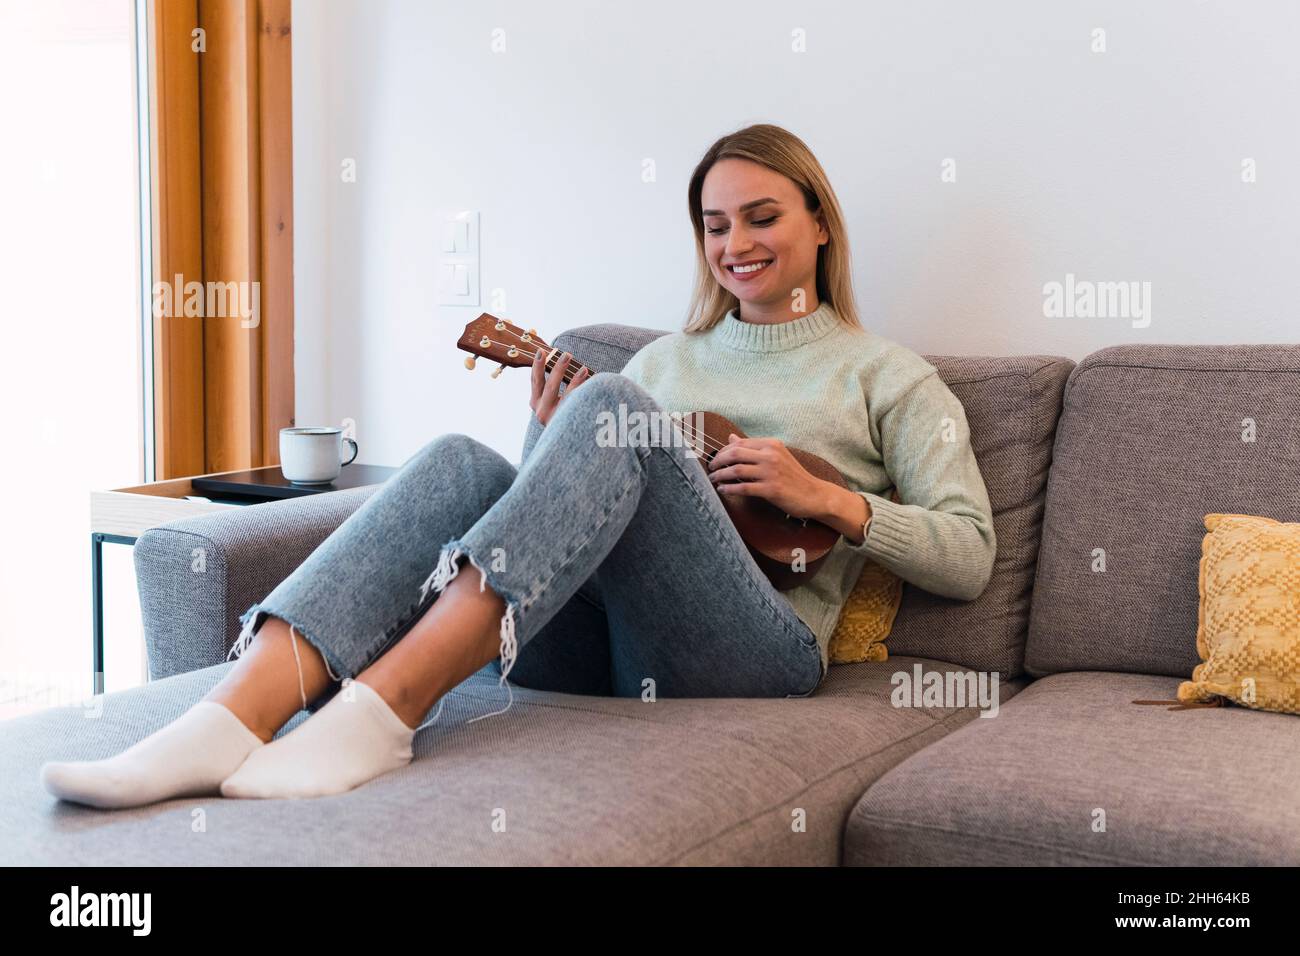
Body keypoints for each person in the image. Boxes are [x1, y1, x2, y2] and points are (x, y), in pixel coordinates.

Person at [40, 123, 996, 808]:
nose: (735, 246)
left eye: (760, 218)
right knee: (463, 457)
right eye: (714, 225)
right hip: (597, 648)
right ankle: (224, 718)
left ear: (820, 223)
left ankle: (379, 717)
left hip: (756, 652)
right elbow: (565, 523)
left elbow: (969, 553)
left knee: (613, 403)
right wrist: (549, 433)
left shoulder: (887, 375)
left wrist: (825, 496)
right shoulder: (662, 363)